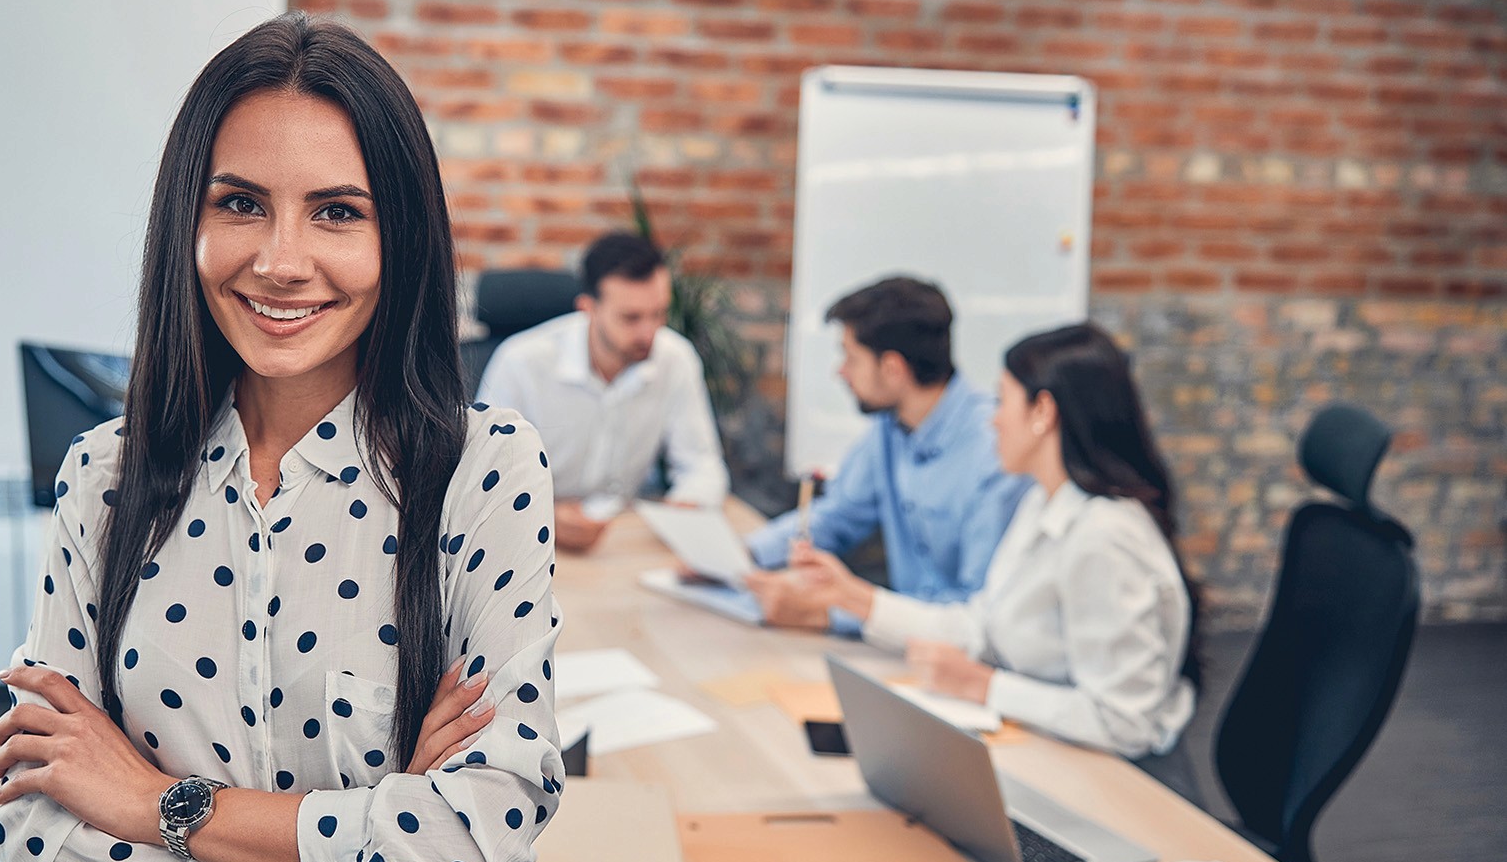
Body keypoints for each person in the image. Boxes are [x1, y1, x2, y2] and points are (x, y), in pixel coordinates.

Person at [0, 13, 565, 862]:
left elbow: (483, 833)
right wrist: (369, 859)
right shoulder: (105, 478)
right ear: (186, 222)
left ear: (398, 235)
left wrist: (156, 804)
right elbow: (35, 835)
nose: (280, 260)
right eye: (239, 202)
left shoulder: (482, 471)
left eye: (336, 212)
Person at [783, 323, 1200, 759]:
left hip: (1123, 783)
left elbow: (1125, 724)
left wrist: (985, 687)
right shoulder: (1043, 501)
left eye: (1004, 401)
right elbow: (982, 627)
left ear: (1043, 412)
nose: (993, 419)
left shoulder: (1105, 537)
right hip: (1053, 749)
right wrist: (854, 597)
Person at [745, 276, 1026, 635]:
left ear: (893, 369)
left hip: (955, 655)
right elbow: (839, 514)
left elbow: (975, 611)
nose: (840, 372)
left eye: (850, 357)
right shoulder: (889, 428)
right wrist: (746, 556)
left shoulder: (996, 453)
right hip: (899, 643)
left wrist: (829, 614)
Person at [476, 231, 729, 552]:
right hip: (532, 540)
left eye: (659, 314)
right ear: (588, 308)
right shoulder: (522, 363)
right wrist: (543, 516)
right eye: (631, 317)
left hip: (624, 537)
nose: (649, 332)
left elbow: (701, 464)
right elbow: (484, 483)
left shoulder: (675, 358)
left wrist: (688, 505)